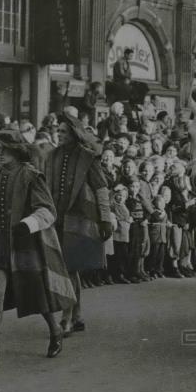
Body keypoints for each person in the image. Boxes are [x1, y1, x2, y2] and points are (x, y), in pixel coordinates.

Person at [0, 129, 75, 370]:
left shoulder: (31, 176)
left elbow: (48, 210)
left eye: (3, 149)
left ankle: (55, 329)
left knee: (37, 295)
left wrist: (29, 224)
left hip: (26, 246)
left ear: (16, 150)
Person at [41, 113, 115, 337]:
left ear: (74, 133)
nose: (59, 134)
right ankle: (78, 314)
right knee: (68, 268)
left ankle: (66, 318)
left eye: (63, 131)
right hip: (57, 218)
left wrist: (105, 219)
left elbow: (101, 189)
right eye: (58, 131)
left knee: (69, 268)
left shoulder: (87, 157)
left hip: (80, 218)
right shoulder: (51, 156)